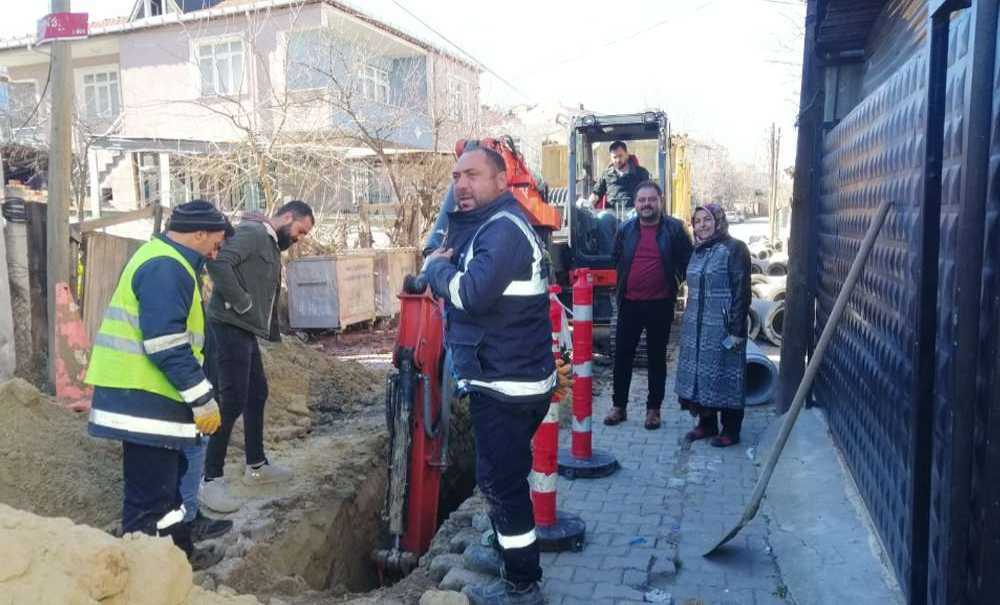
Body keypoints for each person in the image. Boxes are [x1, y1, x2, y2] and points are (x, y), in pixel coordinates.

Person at [424, 147, 554, 605]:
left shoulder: (503, 230)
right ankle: (507, 555)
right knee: (502, 477)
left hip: (507, 386)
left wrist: (437, 269)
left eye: (473, 175)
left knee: (502, 483)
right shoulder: (489, 225)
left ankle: (522, 582)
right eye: (457, 175)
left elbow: (473, 294)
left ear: (501, 181)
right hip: (501, 378)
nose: (461, 184)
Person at [85, 200, 233, 569]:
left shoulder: (171, 261)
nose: (219, 247)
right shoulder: (166, 267)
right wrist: (202, 399)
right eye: (217, 239)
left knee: (166, 495)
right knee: (149, 501)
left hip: (154, 403)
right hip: (144, 403)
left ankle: (177, 559)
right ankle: (141, 576)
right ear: (198, 233)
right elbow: (165, 343)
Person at [198, 200, 315, 514]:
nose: (299, 237)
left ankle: (257, 465)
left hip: (243, 329)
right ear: (287, 216)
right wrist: (243, 304)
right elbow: (218, 262)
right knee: (232, 399)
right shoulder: (253, 233)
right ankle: (210, 479)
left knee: (257, 392)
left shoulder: (268, 242)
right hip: (228, 325)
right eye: (300, 230)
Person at [603, 181, 693, 430]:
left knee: (656, 359)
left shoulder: (675, 229)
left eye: (651, 199)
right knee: (622, 357)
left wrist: (676, 282)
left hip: (660, 304)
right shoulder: (626, 230)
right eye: (642, 200)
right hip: (629, 304)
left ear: (660, 201)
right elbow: (616, 257)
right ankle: (618, 406)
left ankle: (653, 410)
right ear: (635, 204)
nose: (646, 204)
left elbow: (688, 263)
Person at [675, 204, 752, 447]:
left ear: (719, 220)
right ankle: (707, 424)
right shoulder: (697, 251)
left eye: (707, 220)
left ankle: (731, 429)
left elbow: (742, 290)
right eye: (697, 221)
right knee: (701, 376)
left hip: (723, 324)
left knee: (727, 374)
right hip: (696, 326)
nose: (702, 225)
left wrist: (737, 329)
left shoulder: (735, 249)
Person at [588, 140, 651, 209]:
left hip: (634, 211)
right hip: (611, 214)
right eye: (614, 157)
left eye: (620, 156)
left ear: (627, 154)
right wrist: (589, 203)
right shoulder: (606, 175)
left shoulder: (641, 172)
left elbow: (649, 192)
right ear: (611, 158)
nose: (618, 160)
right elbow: (596, 193)